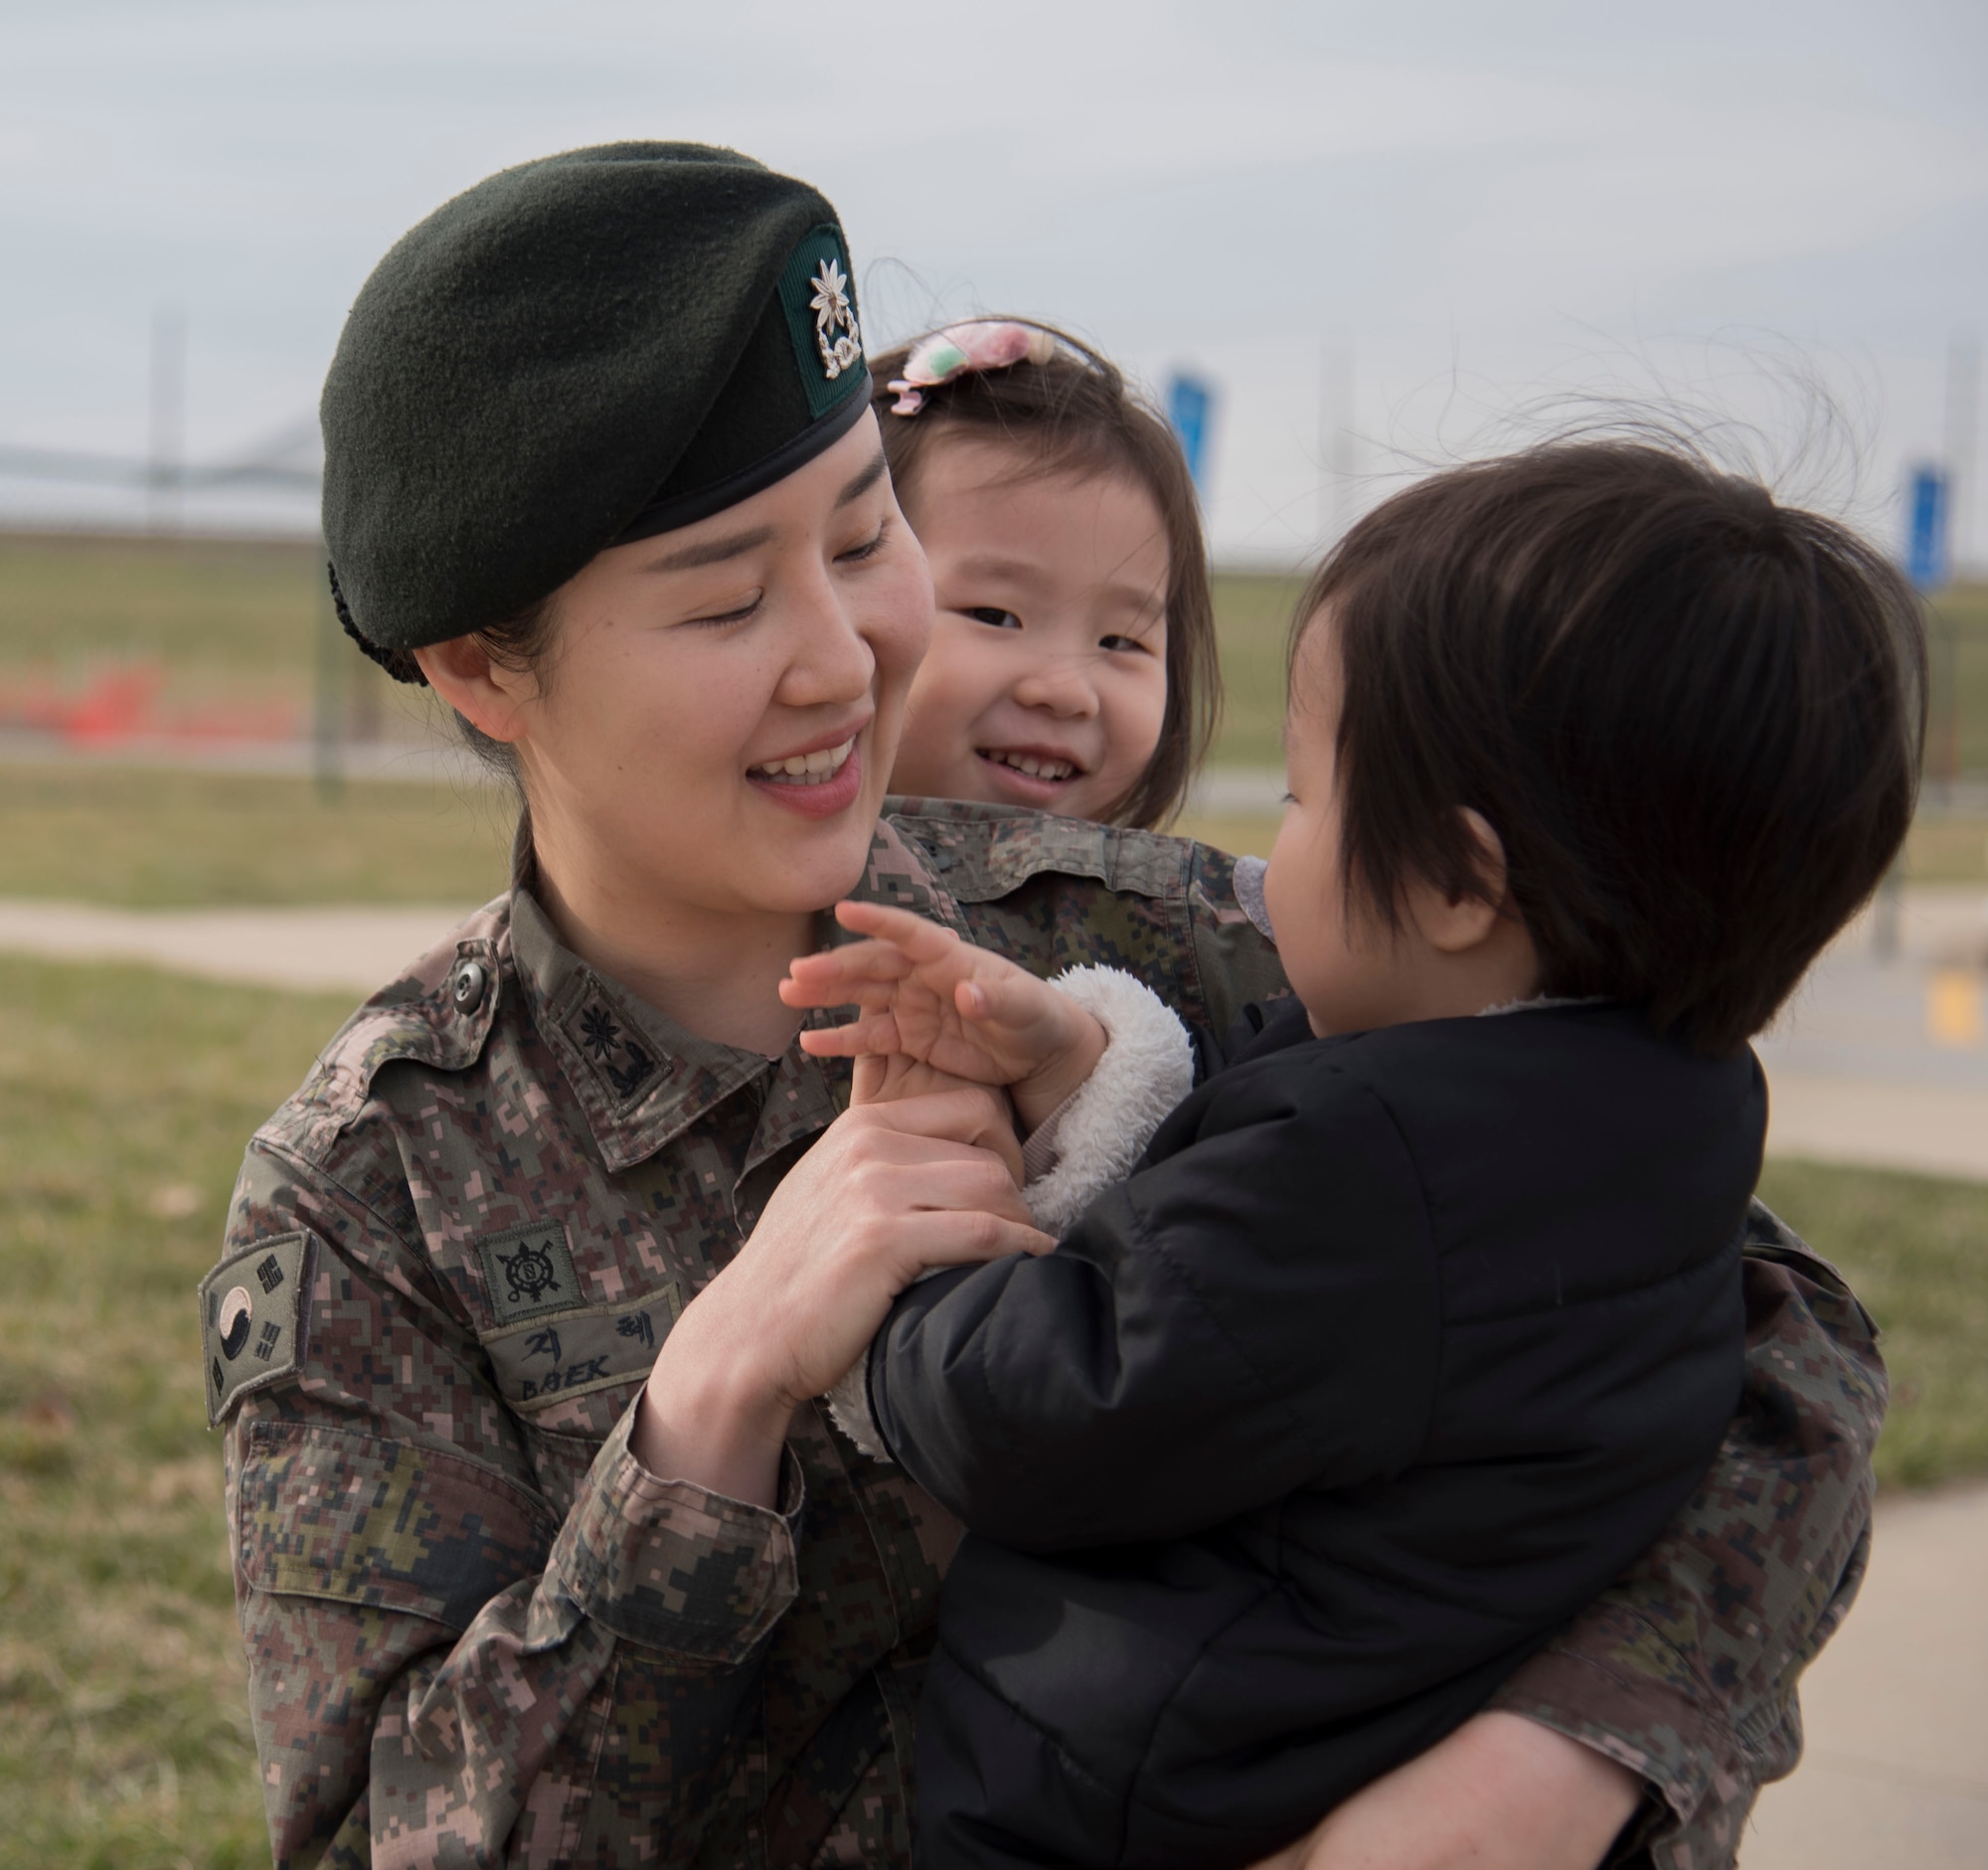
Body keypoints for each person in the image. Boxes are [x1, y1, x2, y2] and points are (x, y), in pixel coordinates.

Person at [197, 142, 1886, 1869]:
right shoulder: (378, 1196)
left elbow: (1780, 1347)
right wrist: (699, 1428)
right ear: (484, 667)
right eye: (723, 597)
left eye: (868, 538)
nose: (846, 657)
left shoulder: (1158, 942)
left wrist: (1560, 1761)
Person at [782, 440, 1923, 1869]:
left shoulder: (1370, 1167)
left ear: (1456, 884)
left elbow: (1055, 1408)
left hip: (1134, 1801)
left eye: (1308, 800)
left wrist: (893, 1301)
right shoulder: (1656, 1113)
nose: (1273, 857)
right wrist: (1092, 1065)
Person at [875, 322, 1217, 829]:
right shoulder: (760, 896)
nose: (1066, 692)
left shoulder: (1158, 905)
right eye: (995, 616)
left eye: (1120, 642)